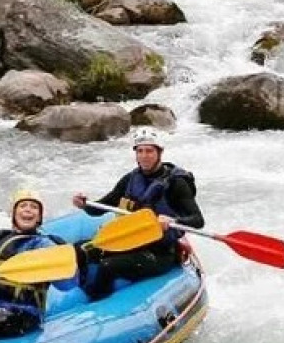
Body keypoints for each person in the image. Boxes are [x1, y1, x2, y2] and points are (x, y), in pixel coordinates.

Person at [72, 127, 203, 297]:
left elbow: (198, 220)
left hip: (159, 252)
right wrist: (85, 205)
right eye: (140, 151)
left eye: (149, 151)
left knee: (108, 266)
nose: (144, 156)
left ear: (159, 153)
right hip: (129, 242)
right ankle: (78, 292)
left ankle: (97, 301)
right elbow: (101, 207)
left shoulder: (176, 183)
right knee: (79, 249)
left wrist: (174, 221)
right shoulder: (130, 179)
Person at [0, 188, 77, 341]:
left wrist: (67, 263)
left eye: (34, 207)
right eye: (23, 206)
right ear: (14, 213)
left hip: (23, 310)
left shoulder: (43, 244)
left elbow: (67, 284)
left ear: (39, 217)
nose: (28, 210)